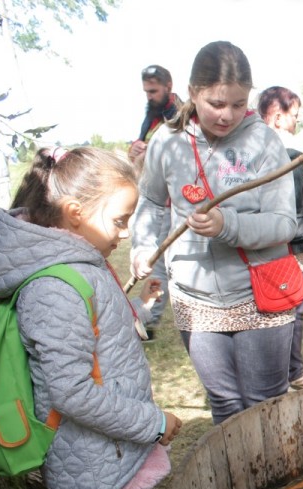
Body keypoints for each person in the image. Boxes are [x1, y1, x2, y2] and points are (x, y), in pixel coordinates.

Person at [0, 147, 182, 489]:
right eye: (118, 219)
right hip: (90, 458)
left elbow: (94, 339)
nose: (124, 231)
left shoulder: (76, 264)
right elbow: (72, 392)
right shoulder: (54, 285)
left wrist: (137, 308)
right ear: (76, 213)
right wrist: (152, 423)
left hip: (106, 453)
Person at [131, 41, 297, 425]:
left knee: (265, 405)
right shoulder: (167, 145)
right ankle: (239, 486)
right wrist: (144, 247)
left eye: (239, 104)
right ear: (193, 93)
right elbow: (152, 202)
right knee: (223, 402)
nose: (228, 116)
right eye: (217, 104)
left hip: (259, 293)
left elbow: (284, 222)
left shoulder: (264, 142)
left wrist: (229, 226)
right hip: (195, 297)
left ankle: (276, 485)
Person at [258, 85, 303, 388]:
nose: (297, 122)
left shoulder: (285, 150)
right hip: (286, 247)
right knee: (289, 310)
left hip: (289, 243)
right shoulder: (277, 152)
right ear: (277, 117)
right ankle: (286, 374)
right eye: (293, 116)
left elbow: (302, 192)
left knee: (290, 310)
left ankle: (291, 371)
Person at [127, 64, 183, 340]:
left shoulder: (180, 115)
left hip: (177, 204)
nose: (149, 96)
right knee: (156, 262)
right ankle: (148, 319)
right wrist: (135, 148)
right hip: (157, 202)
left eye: (153, 90)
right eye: (146, 91)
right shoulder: (152, 115)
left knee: (168, 262)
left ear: (168, 86)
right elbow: (141, 147)